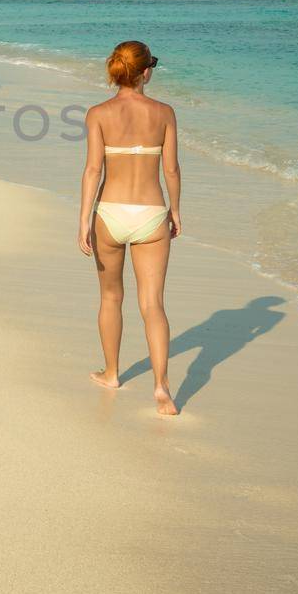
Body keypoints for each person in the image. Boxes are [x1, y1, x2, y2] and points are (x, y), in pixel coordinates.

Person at [78, 40, 181, 416]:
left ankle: (111, 373)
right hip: (152, 213)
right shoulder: (165, 113)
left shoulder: (98, 113)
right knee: (152, 304)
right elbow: (171, 169)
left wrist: (84, 219)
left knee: (111, 297)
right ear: (145, 72)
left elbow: (93, 170)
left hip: (110, 214)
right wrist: (177, 210)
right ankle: (161, 387)